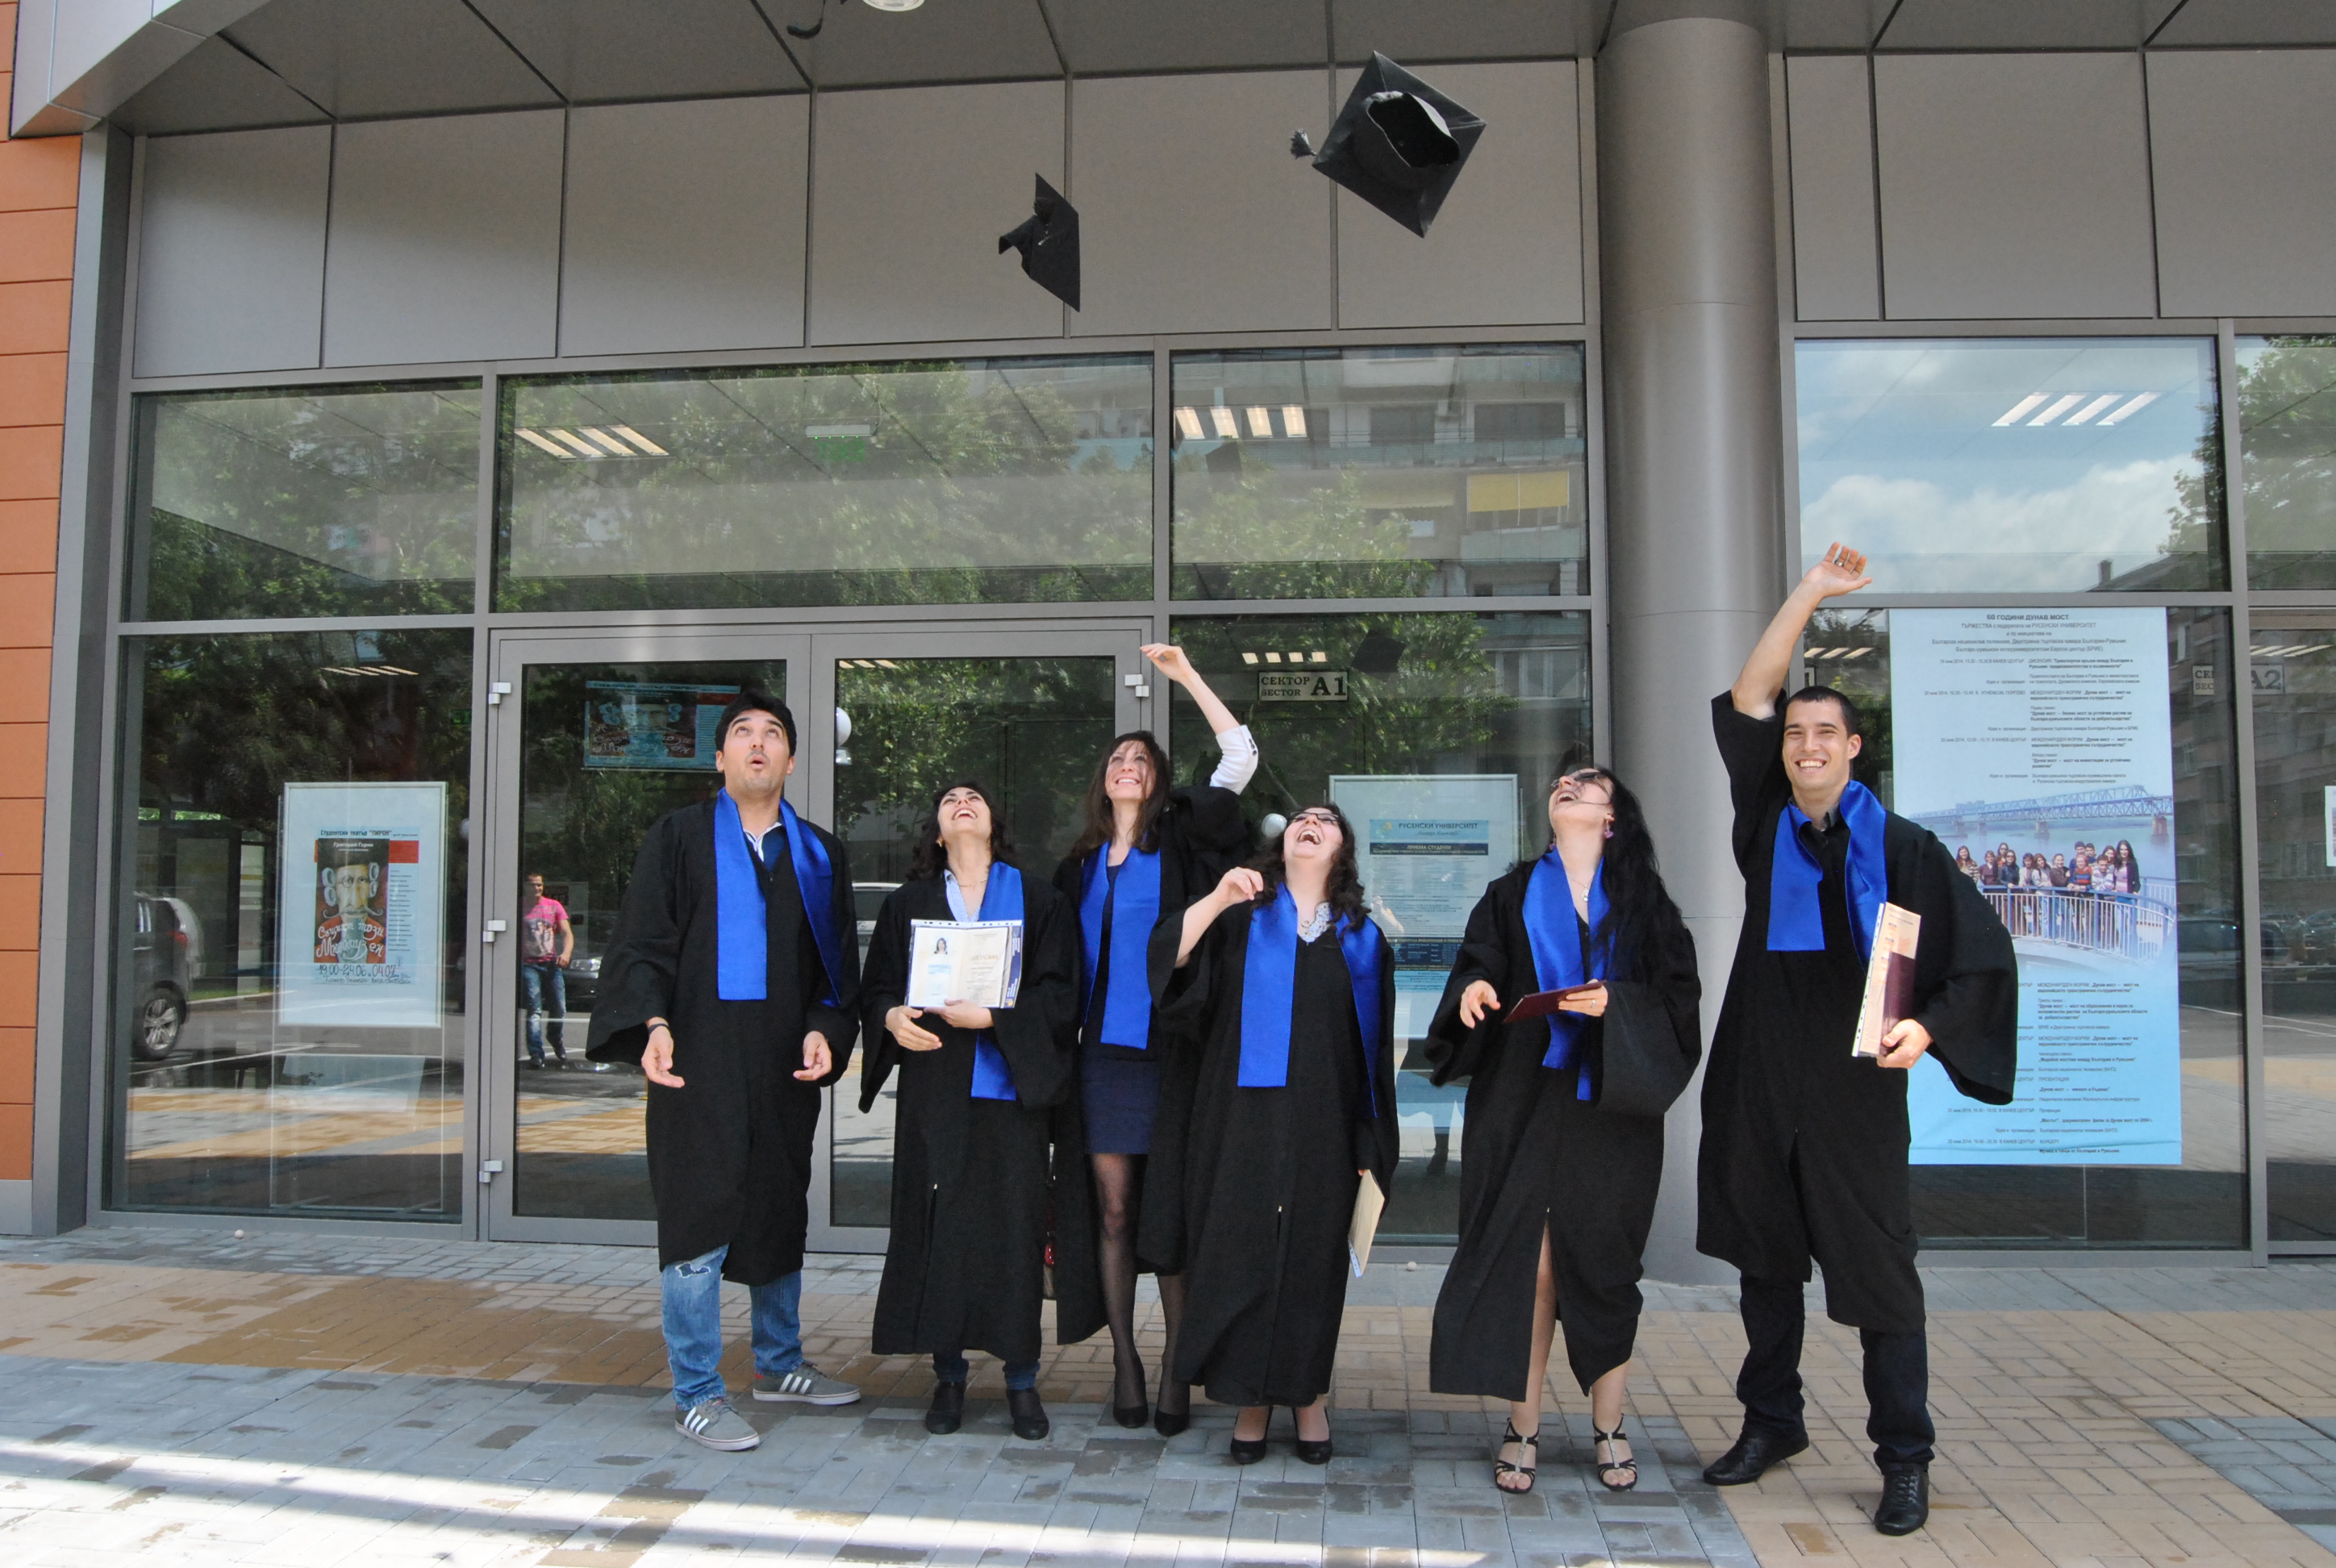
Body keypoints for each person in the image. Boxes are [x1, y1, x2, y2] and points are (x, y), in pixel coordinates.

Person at [1700, 543, 2018, 1537]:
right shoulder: (1765, 822)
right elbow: (1748, 695)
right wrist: (1808, 591)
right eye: (1795, 734)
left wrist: (1926, 1026)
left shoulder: (1906, 849)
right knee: (1764, 1264)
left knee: (1880, 1275)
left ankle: (1904, 1457)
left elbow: (1980, 958)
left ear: (1853, 747)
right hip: (1759, 1070)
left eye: (1823, 734)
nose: (1804, 746)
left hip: (1855, 1088)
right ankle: (1771, 1422)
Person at [585, 691, 865, 1453]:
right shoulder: (678, 838)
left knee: (778, 1207)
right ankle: (697, 1392)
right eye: (742, 733)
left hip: (781, 1067)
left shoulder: (819, 855)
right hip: (697, 1062)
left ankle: (779, 1363)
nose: (758, 744)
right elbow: (643, 943)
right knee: (697, 1219)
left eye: (773, 734)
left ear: (791, 760)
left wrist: (825, 1031)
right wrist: (652, 1025)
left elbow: (836, 969)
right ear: (719, 757)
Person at [1423, 767, 1702, 1495]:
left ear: (1614, 819)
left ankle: (1610, 1425)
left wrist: (1618, 1004)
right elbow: (1478, 966)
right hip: (1521, 1096)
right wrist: (1474, 990)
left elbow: (1678, 1002)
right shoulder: (1510, 894)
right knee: (1531, 1264)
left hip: (1610, 1108)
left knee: (1604, 1265)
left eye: (1589, 784)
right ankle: (1523, 1426)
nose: (1569, 786)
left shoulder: (1646, 907)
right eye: (1562, 784)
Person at [1051, 641, 1258, 1436]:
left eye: (1142, 759)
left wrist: (1185, 676)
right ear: (1102, 781)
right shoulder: (1077, 867)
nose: (1128, 766)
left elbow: (1239, 758)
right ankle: (1125, 1363)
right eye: (1117, 758)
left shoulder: (1181, 839)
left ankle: (1177, 1364)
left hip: (1170, 1054)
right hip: (1100, 1060)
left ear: (1158, 779)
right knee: (1112, 1212)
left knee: (1165, 1214)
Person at [1152, 803, 1400, 1466]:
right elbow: (1169, 962)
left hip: (1326, 1123)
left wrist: (1369, 1140)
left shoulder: (1363, 942)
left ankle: (1307, 1396)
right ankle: (1250, 1400)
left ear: (1342, 849)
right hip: (1240, 1119)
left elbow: (1372, 1054)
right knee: (1241, 1254)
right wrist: (1216, 897)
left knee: (1313, 1262)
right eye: (1299, 819)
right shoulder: (1240, 918)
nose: (1308, 823)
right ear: (1282, 843)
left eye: (1325, 820)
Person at [861, 781, 1080, 1442]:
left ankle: (1021, 1379)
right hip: (936, 1091)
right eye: (950, 798)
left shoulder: (1038, 899)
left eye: (975, 798)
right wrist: (891, 1018)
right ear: (937, 831)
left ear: (993, 824)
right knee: (942, 1234)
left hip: (1010, 1094)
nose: (963, 802)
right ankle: (949, 1375)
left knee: (1013, 1232)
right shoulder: (909, 905)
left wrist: (994, 1019)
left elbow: (1062, 993)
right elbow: (877, 988)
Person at [520, 872, 573, 1069]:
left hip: (551, 963)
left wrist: (566, 954)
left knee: (559, 1007)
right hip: (529, 964)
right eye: (533, 885)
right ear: (526, 886)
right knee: (535, 1009)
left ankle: (555, 1037)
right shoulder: (520, 907)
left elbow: (567, 933)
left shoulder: (553, 906)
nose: (537, 888)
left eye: (540, 885)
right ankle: (536, 1053)